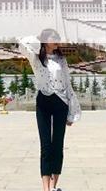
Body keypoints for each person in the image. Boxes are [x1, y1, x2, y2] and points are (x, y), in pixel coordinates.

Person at [19, 28, 81, 191]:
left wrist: (72, 113)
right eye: (54, 38)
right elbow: (22, 43)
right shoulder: (35, 58)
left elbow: (68, 84)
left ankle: (54, 186)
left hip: (61, 102)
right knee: (46, 145)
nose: (57, 41)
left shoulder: (61, 60)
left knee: (58, 145)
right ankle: (45, 187)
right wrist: (39, 38)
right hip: (43, 103)